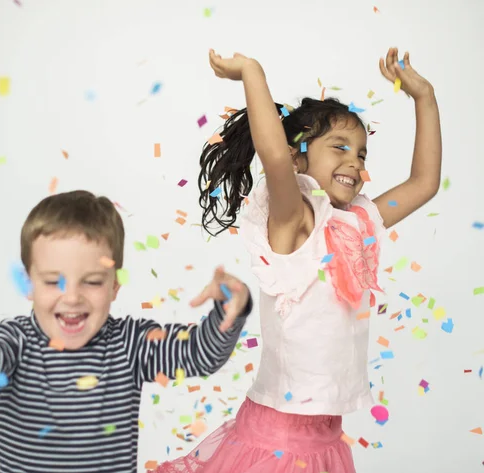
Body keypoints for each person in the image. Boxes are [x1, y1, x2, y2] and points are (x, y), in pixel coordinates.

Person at [154, 47, 441, 473]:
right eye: (339, 147)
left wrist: (425, 97)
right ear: (297, 155)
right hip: (277, 444)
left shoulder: (359, 221)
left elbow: (423, 183)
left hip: (327, 440)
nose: (354, 161)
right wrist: (252, 73)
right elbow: (272, 156)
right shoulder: (294, 219)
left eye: (361, 153)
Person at [0, 189, 253, 473]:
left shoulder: (130, 344)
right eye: (54, 281)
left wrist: (227, 308)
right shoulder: (16, 341)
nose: (72, 297)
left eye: (92, 282)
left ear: (114, 286)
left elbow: (198, 355)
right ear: (28, 283)